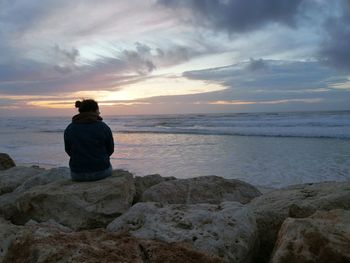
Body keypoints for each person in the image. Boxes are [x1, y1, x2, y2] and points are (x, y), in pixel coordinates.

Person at [64, 99, 114, 181]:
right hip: (102, 172)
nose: (99, 112)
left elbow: (68, 150)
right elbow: (110, 150)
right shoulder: (103, 127)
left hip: (77, 174)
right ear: (93, 110)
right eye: (98, 110)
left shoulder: (70, 128)